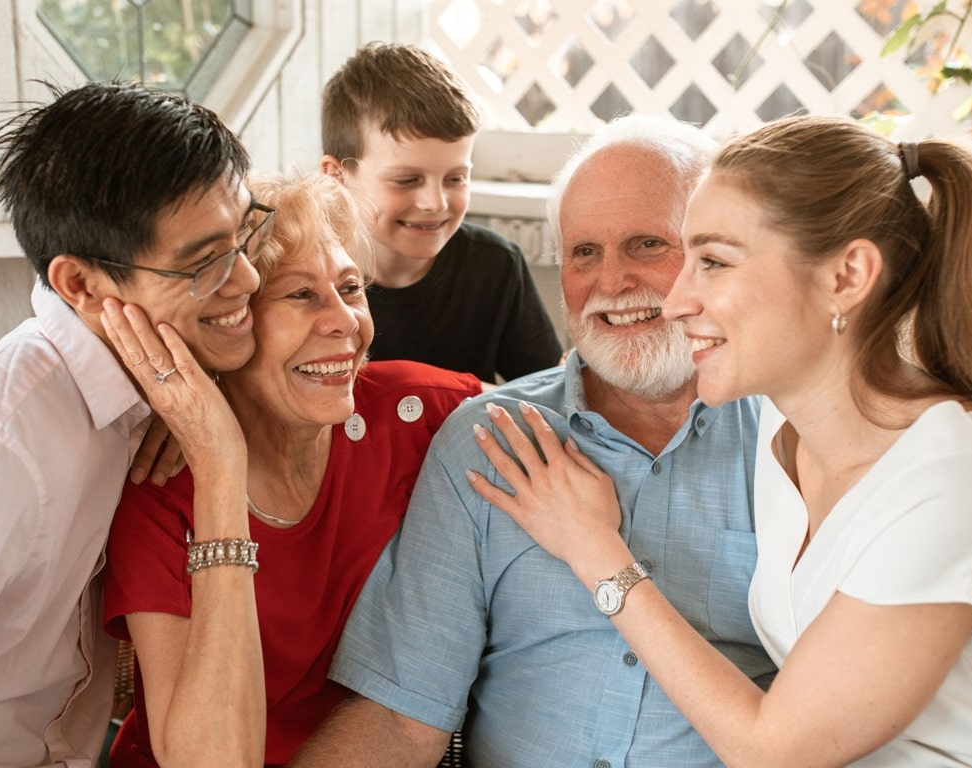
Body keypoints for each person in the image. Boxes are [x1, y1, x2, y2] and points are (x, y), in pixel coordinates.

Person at [470, 115, 972, 766]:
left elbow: (772, 749)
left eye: (712, 261)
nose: (679, 300)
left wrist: (595, 549)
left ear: (847, 276)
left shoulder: (948, 476)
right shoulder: (782, 427)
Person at [291, 114, 776, 768]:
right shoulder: (487, 440)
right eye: (584, 253)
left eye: (646, 245)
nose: (611, 283)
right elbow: (401, 721)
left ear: (716, 255)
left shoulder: (790, 441)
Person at [101, 168, 484, 768]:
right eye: (301, 294)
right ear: (232, 324)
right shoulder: (161, 490)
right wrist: (221, 468)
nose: (345, 322)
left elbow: (567, 407)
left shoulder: (415, 415)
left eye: (351, 288)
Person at [0, 81, 260, 767]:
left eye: (243, 236)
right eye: (205, 262)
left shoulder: (146, 384)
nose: (245, 279)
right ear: (81, 287)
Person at [319, 41, 563, 382]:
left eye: (456, 178)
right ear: (336, 177)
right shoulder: (305, 276)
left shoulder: (496, 267)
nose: (435, 203)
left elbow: (546, 393)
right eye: (406, 179)